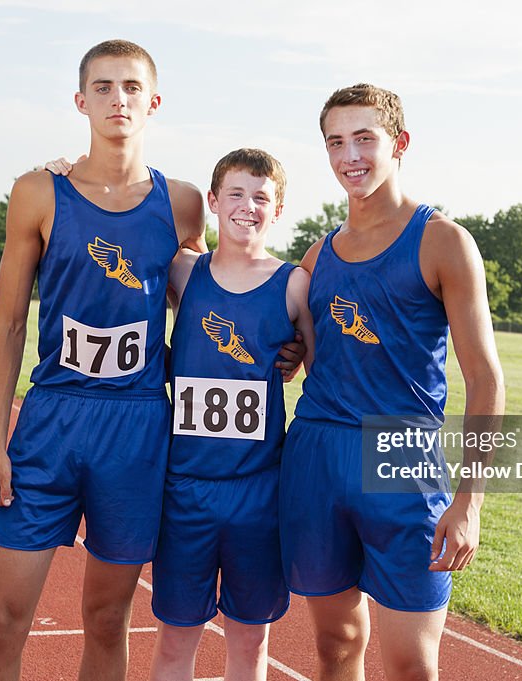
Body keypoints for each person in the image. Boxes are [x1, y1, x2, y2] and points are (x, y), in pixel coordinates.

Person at [0, 39, 208, 681]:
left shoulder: (184, 203)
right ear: (81, 101)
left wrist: (283, 341)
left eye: (130, 87)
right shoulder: (38, 192)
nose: (117, 99)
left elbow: (208, 305)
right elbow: (10, 319)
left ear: (153, 102)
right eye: (102, 87)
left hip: (136, 427)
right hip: (50, 422)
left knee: (107, 620)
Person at [279, 83, 505, 681]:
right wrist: (286, 354)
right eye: (335, 142)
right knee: (335, 647)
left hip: (400, 460)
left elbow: (485, 380)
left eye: (364, 139)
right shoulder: (316, 256)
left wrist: (470, 502)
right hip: (318, 455)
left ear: (399, 144)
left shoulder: (444, 242)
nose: (349, 155)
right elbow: (286, 337)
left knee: (410, 664)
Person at [148, 148, 314, 681]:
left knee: (250, 641)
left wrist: (291, 359)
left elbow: (323, 371)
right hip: (186, 489)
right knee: (175, 641)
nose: (248, 207)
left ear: (279, 208)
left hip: (258, 493)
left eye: (262, 197)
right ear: (214, 203)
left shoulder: (293, 285)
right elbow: (127, 203)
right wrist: (73, 165)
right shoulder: (182, 272)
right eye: (236, 195)